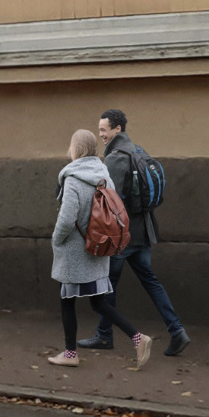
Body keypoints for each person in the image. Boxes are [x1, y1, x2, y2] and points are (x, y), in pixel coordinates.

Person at [83, 108, 191, 357]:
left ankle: (104, 336)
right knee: (151, 282)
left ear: (117, 129)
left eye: (104, 130)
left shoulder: (116, 158)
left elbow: (108, 200)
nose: (101, 134)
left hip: (122, 236)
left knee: (107, 284)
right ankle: (177, 331)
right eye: (99, 130)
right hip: (143, 233)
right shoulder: (139, 152)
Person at [49, 128, 150, 370]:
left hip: (75, 252)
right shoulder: (104, 175)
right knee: (99, 303)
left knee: (67, 301)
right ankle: (138, 338)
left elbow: (67, 219)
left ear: (77, 148)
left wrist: (56, 239)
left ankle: (70, 354)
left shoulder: (73, 178)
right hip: (99, 248)